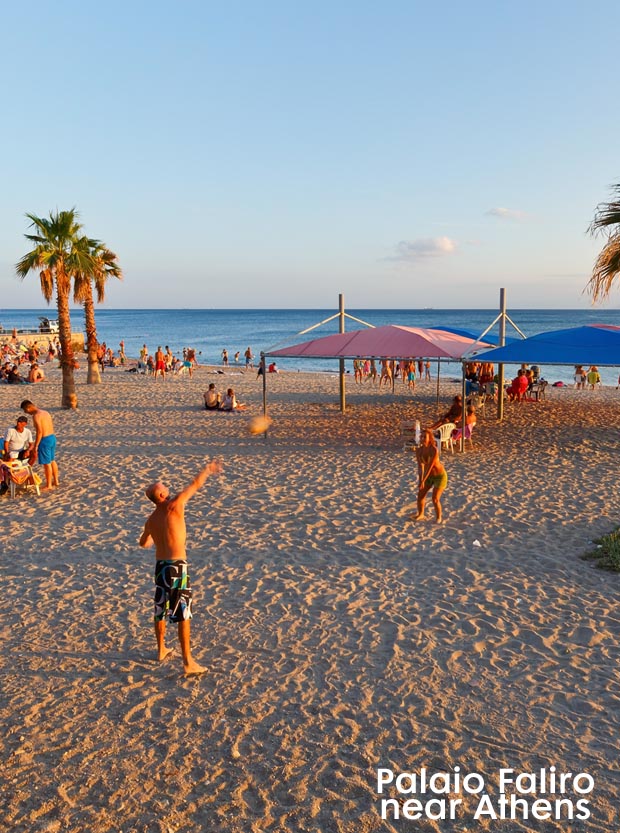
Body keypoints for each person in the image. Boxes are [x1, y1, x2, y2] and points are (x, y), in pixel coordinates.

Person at [139, 459, 223, 675]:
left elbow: (143, 541)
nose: (167, 486)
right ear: (161, 495)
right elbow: (194, 484)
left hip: (161, 567)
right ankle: (188, 662)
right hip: (177, 566)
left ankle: (161, 649)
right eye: (163, 486)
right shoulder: (175, 504)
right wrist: (207, 469)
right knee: (182, 613)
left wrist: (153, 539)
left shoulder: (151, 519)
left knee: (161, 608)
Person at [20, 400, 59, 490]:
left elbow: (40, 432)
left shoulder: (36, 416)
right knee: (52, 460)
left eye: (26, 411)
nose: (26, 413)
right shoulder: (45, 412)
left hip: (45, 440)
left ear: (28, 408)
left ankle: (48, 485)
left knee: (47, 463)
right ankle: (56, 481)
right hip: (52, 437)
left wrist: (36, 445)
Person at [415, 429, 447, 524]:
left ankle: (438, 517)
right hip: (428, 476)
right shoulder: (419, 451)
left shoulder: (434, 450)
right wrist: (421, 480)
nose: (423, 438)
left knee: (435, 498)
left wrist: (423, 480)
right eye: (421, 437)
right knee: (421, 494)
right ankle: (421, 514)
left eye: (425, 437)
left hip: (439, 476)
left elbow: (429, 467)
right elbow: (421, 467)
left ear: (430, 438)